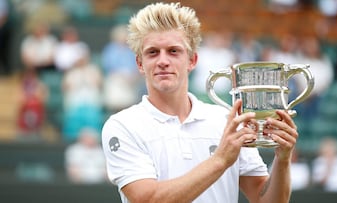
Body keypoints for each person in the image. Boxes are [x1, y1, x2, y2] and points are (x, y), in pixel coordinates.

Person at [102, 3, 299, 203]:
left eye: (173, 51)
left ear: (192, 60)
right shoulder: (123, 125)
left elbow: (266, 200)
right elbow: (147, 200)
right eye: (153, 52)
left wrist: (282, 160)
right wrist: (220, 160)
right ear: (140, 64)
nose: (163, 60)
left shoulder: (226, 121)